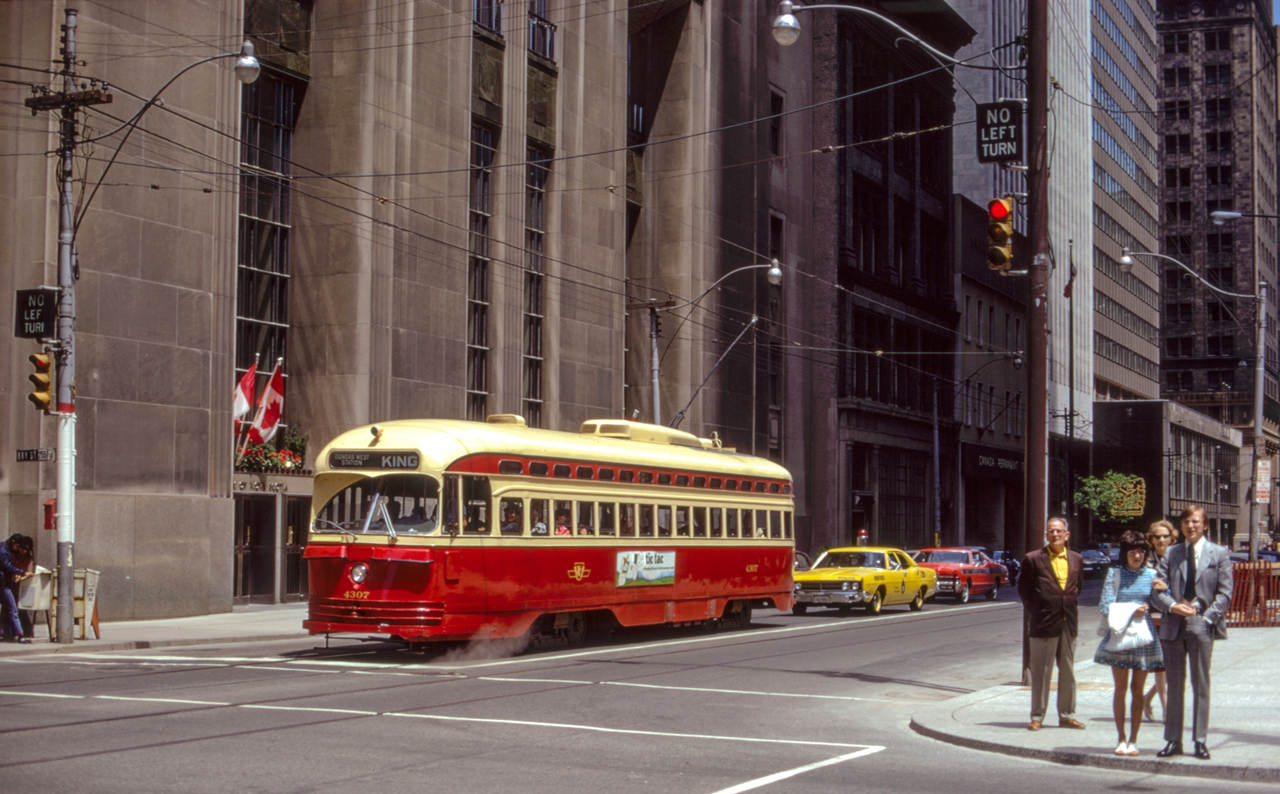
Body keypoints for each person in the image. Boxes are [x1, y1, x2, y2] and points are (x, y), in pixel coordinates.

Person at [1152, 504, 1233, 760]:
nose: (1191, 526)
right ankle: (1173, 740)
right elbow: (1157, 591)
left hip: (1202, 623)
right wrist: (1173, 606)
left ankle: (1200, 740)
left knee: (1201, 684)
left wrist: (1207, 618)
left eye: (1196, 521)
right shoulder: (1172, 553)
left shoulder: (1218, 553)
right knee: (1174, 685)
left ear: (1205, 524)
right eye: (1186, 521)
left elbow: (1225, 594)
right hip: (1174, 625)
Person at [1094, 531, 1164, 756]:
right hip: (1120, 636)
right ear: (1125, 554)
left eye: (1142, 552)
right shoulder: (1114, 574)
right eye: (1132, 552)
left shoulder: (1152, 574)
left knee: (1138, 689)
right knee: (1121, 689)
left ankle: (1134, 740)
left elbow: (1159, 604)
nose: (1137, 556)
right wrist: (1134, 609)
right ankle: (1121, 739)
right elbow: (1105, 605)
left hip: (1144, 637)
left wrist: (1164, 590)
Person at [1017, 516, 1086, 731]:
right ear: (1046, 535)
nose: (1054, 534)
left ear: (1067, 535)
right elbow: (1024, 591)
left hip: (1068, 622)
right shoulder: (1033, 559)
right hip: (1043, 623)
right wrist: (1038, 611)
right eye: (1050, 531)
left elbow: (1077, 589)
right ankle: (1037, 716)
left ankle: (1067, 715)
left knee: (1067, 670)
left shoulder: (1077, 559)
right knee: (1042, 671)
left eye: (1059, 531)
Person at [1142, 519, 1177, 722]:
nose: (1162, 540)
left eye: (1165, 536)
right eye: (1157, 536)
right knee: (1161, 667)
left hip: (1176, 616)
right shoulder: (1146, 561)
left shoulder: (1179, 558)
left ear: (1172, 538)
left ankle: (1148, 698)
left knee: (1173, 666)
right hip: (1154, 618)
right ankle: (1167, 711)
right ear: (1151, 539)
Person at [1, 534, 35, 644]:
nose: (21, 550)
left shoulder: (9, 550)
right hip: (5, 584)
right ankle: (20, 634)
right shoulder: (4, 551)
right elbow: (7, 566)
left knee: (9, 609)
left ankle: (5, 633)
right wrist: (22, 572)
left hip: (8, 583)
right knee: (13, 610)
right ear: (13, 543)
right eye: (19, 547)